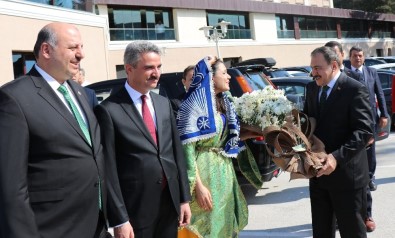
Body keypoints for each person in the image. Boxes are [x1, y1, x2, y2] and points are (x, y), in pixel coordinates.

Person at [0, 22, 108, 238]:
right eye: (73, 48)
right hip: (52, 227)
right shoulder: (14, 98)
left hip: (95, 225)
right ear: (46, 50)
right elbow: (10, 186)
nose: (81, 55)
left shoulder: (80, 93)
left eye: (82, 47)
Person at [94, 40, 191, 238]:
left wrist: (183, 199)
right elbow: (108, 170)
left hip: (169, 204)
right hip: (135, 210)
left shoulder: (163, 104)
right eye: (149, 68)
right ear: (129, 69)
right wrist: (120, 218)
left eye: (158, 67)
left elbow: (176, 154)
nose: (156, 73)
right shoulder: (109, 110)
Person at [177, 56, 262, 237]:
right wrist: (197, 187)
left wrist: (258, 131)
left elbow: (224, 138)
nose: (229, 77)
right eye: (224, 73)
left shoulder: (224, 102)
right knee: (204, 224)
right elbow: (187, 149)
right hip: (203, 172)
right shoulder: (192, 105)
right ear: (211, 77)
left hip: (224, 172)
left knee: (224, 221)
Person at [304, 46, 373, 238]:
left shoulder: (354, 89)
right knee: (321, 232)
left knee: (352, 232)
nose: (313, 73)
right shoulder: (311, 88)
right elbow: (307, 125)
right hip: (318, 176)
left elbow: (364, 131)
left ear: (334, 66)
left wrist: (336, 158)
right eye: (312, 67)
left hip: (347, 177)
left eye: (317, 68)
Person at [324, 41, 377, 233]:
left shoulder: (354, 82)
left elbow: (371, 104)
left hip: (352, 162)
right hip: (325, 168)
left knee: (366, 182)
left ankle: (367, 214)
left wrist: (378, 122)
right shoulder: (315, 86)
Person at [349, 45, 389, 232]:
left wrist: (384, 114)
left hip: (372, 119)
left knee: (371, 152)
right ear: (349, 58)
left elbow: (379, 93)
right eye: (355, 56)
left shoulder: (371, 72)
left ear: (364, 58)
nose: (358, 58)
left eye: (360, 55)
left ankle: (371, 176)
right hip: (355, 121)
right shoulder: (347, 74)